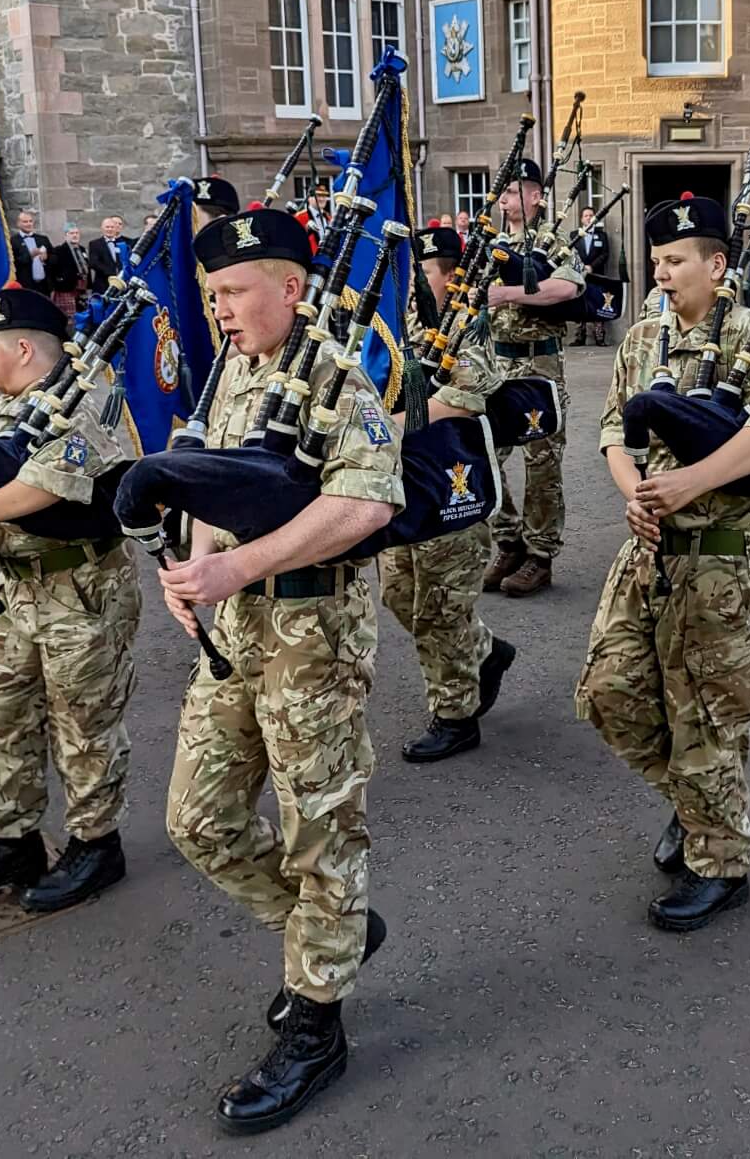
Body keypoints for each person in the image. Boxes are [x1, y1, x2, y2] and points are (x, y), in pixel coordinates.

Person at [158, 206, 398, 1134]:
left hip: (313, 639)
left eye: (234, 290)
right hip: (239, 632)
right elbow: (218, 479)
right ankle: (329, 935)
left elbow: (368, 503)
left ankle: (318, 1022)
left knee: (321, 832)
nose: (218, 307)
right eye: (212, 292)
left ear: (291, 288)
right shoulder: (234, 371)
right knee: (199, 818)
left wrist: (235, 567)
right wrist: (195, 565)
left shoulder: (338, 375)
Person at [578, 193, 750, 931]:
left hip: (715, 563)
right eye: (656, 262)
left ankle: (721, 861)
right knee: (609, 690)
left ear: (716, 264)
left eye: (676, 261)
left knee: (705, 716)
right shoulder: (641, 337)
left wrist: (689, 482)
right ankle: (693, 803)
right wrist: (639, 493)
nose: (662, 273)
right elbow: (615, 430)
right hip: (646, 550)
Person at [0, 288, 140, 914]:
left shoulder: (90, 397)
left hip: (83, 591)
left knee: (84, 725)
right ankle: (11, 839)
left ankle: (96, 844)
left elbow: (48, 482)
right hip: (18, 589)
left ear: (24, 348)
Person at [383, 224, 519, 764]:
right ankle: (485, 651)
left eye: (425, 272)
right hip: (400, 483)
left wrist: (390, 424)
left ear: (450, 275)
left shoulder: (469, 325)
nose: (416, 282)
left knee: (440, 604)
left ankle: (456, 715)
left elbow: (469, 396)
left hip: (452, 482)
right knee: (399, 593)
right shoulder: (396, 326)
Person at [483, 158, 584, 597]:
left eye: (514, 190)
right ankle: (509, 542)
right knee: (484, 452)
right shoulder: (490, 242)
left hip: (539, 365)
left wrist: (505, 293)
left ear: (537, 196)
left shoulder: (554, 240)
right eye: (502, 191)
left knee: (541, 463)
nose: (505, 198)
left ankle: (539, 555)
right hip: (494, 363)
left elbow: (567, 287)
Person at [571, 202, 613, 348]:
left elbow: (605, 254)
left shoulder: (602, 236)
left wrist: (592, 267)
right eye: (586, 216)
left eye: (591, 215)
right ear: (581, 219)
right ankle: (579, 337)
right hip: (579, 275)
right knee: (579, 304)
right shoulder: (574, 235)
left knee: (598, 303)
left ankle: (599, 337)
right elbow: (571, 254)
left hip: (597, 275)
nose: (589, 218)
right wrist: (582, 267)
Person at [85, 215, 133, 298]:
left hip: (121, 285)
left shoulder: (123, 244)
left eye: (112, 227)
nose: (110, 229)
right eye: (107, 227)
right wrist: (113, 273)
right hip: (103, 285)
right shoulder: (95, 244)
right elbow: (93, 263)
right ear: (102, 228)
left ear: (116, 229)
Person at [9, 210, 52, 293]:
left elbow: (54, 258)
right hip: (25, 286)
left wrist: (47, 257)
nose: (29, 224)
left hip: (44, 286)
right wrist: (30, 255)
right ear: (18, 223)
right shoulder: (13, 241)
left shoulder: (43, 239)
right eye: (25, 222)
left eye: (30, 221)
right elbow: (14, 263)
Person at [48, 226, 88, 316]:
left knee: (82, 314)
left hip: (82, 288)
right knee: (68, 316)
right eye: (72, 233)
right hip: (66, 288)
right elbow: (51, 269)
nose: (75, 235)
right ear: (66, 236)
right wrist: (58, 282)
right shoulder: (58, 250)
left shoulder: (82, 249)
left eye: (77, 233)